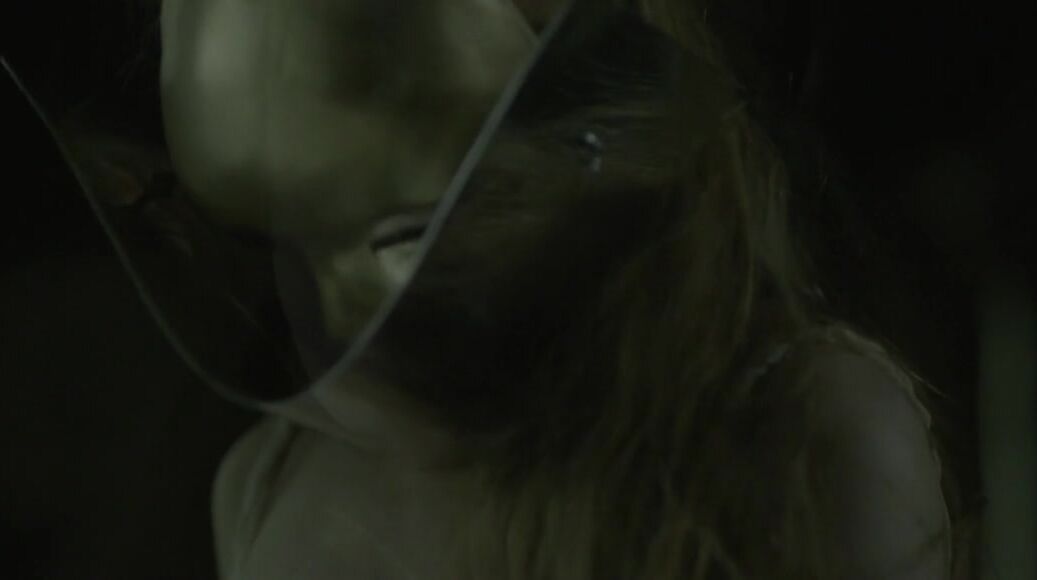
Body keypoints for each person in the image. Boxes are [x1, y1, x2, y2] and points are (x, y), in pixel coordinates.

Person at [72, 0, 962, 578]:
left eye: (406, 234)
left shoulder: (800, 437)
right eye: (269, 246)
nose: (332, 329)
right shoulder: (271, 484)